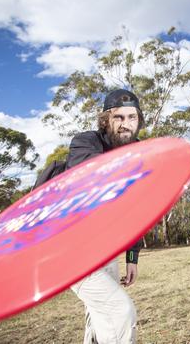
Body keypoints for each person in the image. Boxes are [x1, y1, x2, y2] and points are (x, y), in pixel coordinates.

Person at [67, 89, 145, 344]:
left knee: (100, 314)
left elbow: (138, 210)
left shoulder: (138, 150)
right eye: (119, 117)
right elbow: (94, 171)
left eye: (132, 117)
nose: (126, 124)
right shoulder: (85, 143)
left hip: (105, 250)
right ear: (105, 120)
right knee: (119, 312)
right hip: (71, 250)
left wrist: (132, 257)